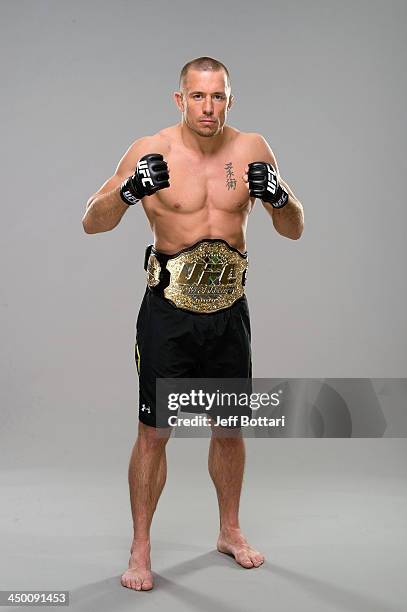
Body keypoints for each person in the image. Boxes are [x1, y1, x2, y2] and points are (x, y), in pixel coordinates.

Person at [82, 56, 304, 591]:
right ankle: (140, 548)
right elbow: (93, 220)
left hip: (229, 314)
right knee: (155, 433)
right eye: (198, 97)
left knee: (229, 429)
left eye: (219, 96)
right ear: (179, 99)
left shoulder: (253, 148)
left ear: (231, 98)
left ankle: (229, 530)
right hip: (168, 316)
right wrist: (130, 190)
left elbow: (293, 228)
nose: (209, 108)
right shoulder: (150, 148)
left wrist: (282, 198)